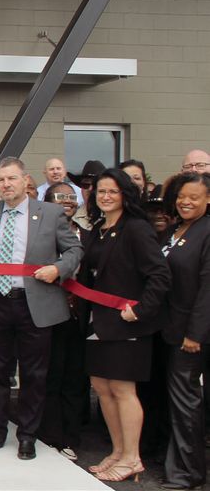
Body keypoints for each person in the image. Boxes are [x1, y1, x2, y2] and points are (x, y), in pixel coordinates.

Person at [0, 157, 83, 460]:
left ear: (25, 180)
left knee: (35, 373)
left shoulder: (50, 213)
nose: (6, 185)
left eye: (12, 179)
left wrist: (58, 269)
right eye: (2, 180)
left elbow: (74, 249)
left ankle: (28, 435)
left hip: (36, 304)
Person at [81, 168, 171, 482]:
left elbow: (159, 275)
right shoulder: (98, 227)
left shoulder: (136, 228)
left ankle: (133, 457)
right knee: (102, 388)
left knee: (122, 389)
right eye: (101, 191)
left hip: (127, 322)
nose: (105, 197)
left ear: (125, 195)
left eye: (112, 192)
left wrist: (142, 310)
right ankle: (118, 451)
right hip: (98, 322)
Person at [159, 172, 210, 490]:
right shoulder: (178, 228)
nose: (186, 201)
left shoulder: (206, 232)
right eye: (182, 196)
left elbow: (208, 289)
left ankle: (189, 473)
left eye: (193, 197)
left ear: (208, 199)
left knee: (186, 402)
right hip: (171, 327)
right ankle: (178, 465)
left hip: (191, 335)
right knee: (178, 402)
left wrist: (196, 334)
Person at [37, 181, 90, 461]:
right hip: (48, 312)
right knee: (50, 376)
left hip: (81, 317)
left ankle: (71, 437)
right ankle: (51, 435)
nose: (66, 202)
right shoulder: (41, 235)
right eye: (59, 197)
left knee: (75, 378)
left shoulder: (90, 236)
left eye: (71, 197)